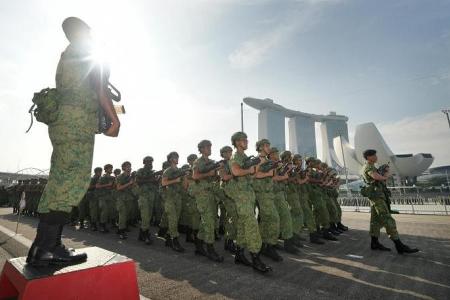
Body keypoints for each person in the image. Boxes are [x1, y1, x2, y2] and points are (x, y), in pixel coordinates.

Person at [26, 16, 120, 267]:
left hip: (63, 122)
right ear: (85, 31)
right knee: (70, 183)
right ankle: (48, 248)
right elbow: (99, 86)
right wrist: (115, 120)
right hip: (77, 123)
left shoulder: (67, 55)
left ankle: (43, 247)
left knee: (60, 181)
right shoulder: (86, 50)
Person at [227, 132, 272, 273]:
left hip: (248, 195)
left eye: (246, 139)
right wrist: (249, 170)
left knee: (242, 226)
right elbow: (235, 171)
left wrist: (257, 168)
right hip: (241, 196)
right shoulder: (235, 156)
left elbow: (251, 175)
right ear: (236, 142)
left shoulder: (245, 157)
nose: (246, 141)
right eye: (242, 140)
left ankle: (239, 254)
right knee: (252, 226)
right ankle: (256, 259)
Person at [362, 149, 419, 254]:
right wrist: (385, 175)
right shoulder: (368, 167)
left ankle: (374, 243)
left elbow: (375, 177)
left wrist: (382, 172)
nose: (376, 156)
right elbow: (375, 177)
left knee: (375, 221)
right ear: (369, 157)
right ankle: (399, 245)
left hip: (377, 196)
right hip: (377, 197)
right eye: (374, 155)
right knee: (388, 219)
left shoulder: (372, 167)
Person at [192, 140, 224, 262]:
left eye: (210, 146)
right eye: (207, 147)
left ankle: (199, 246)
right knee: (209, 222)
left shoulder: (211, 162)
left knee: (205, 222)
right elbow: (195, 176)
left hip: (211, 195)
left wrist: (216, 174)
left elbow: (214, 177)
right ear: (201, 149)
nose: (210, 148)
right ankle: (210, 249)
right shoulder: (198, 162)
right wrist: (208, 173)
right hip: (202, 195)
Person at [253, 139, 282, 262]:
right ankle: (269, 246)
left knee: (265, 221)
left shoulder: (269, 161)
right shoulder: (257, 160)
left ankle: (263, 246)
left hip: (269, 193)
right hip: (262, 194)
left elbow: (273, 176)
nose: (268, 147)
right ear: (260, 147)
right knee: (274, 219)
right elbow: (254, 175)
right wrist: (268, 174)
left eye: (269, 145)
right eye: (266, 145)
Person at [161, 152, 185, 252]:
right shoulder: (168, 171)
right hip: (169, 198)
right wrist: (175, 180)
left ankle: (168, 236)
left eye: (177, 157)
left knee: (176, 219)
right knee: (173, 219)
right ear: (170, 159)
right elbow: (164, 183)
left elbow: (183, 184)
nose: (177, 158)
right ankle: (174, 241)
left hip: (178, 198)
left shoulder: (179, 170)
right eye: (175, 157)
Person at [136, 156, 159, 245]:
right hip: (144, 197)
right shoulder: (140, 171)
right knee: (145, 217)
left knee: (148, 217)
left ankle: (141, 234)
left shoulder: (152, 172)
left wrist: (156, 180)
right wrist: (151, 179)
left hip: (151, 197)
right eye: (148, 162)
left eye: (151, 162)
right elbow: (138, 181)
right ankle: (145, 235)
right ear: (144, 162)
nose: (150, 164)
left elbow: (154, 183)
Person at [116, 162, 135, 240]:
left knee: (127, 214)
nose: (129, 168)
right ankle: (121, 231)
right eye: (127, 167)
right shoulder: (120, 176)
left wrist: (133, 183)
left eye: (130, 166)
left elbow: (132, 186)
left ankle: (121, 228)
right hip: (121, 199)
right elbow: (119, 188)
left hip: (129, 198)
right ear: (123, 168)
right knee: (122, 215)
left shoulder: (130, 177)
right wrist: (129, 183)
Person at [96, 164, 115, 233]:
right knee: (104, 211)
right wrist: (107, 185)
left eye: (111, 168)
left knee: (109, 212)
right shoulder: (102, 178)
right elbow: (97, 186)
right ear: (106, 170)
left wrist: (112, 186)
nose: (111, 169)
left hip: (109, 197)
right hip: (102, 197)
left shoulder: (112, 178)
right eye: (109, 168)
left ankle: (104, 225)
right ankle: (102, 226)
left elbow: (112, 187)